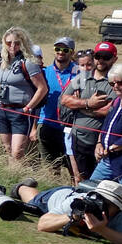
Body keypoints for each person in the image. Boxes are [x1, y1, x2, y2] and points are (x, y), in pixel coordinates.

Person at [0, 27, 47, 162]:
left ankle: (19, 176)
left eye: (16, 43)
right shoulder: (1, 62)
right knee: (8, 149)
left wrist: (28, 108)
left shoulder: (29, 63)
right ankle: (12, 177)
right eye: (9, 43)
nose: (12, 46)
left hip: (20, 111)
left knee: (17, 152)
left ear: (23, 44)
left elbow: (42, 88)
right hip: (3, 109)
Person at [62, 41, 116, 181]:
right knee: (82, 178)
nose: (101, 60)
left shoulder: (116, 80)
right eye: (98, 56)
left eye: (106, 56)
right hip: (79, 137)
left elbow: (111, 110)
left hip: (104, 142)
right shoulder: (82, 77)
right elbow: (65, 100)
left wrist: (82, 108)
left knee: (101, 181)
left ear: (114, 59)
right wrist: (88, 103)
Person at [36, 37, 79, 175]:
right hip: (46, 124)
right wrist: (33, 128)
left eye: (65, 50)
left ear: (72, 53)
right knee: (51, 171)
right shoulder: (44, 72)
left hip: (70, 128)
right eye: (58, 49)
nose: (61, 52)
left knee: (74, 170)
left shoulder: (80, 73)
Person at [90, 63, 122, 184]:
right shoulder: (116, 101)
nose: (116, 86)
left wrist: (112, 148)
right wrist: (99, 143)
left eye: (120, 82)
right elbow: (106, 126)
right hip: (107, 160)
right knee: (90, 188)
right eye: (112, 84)